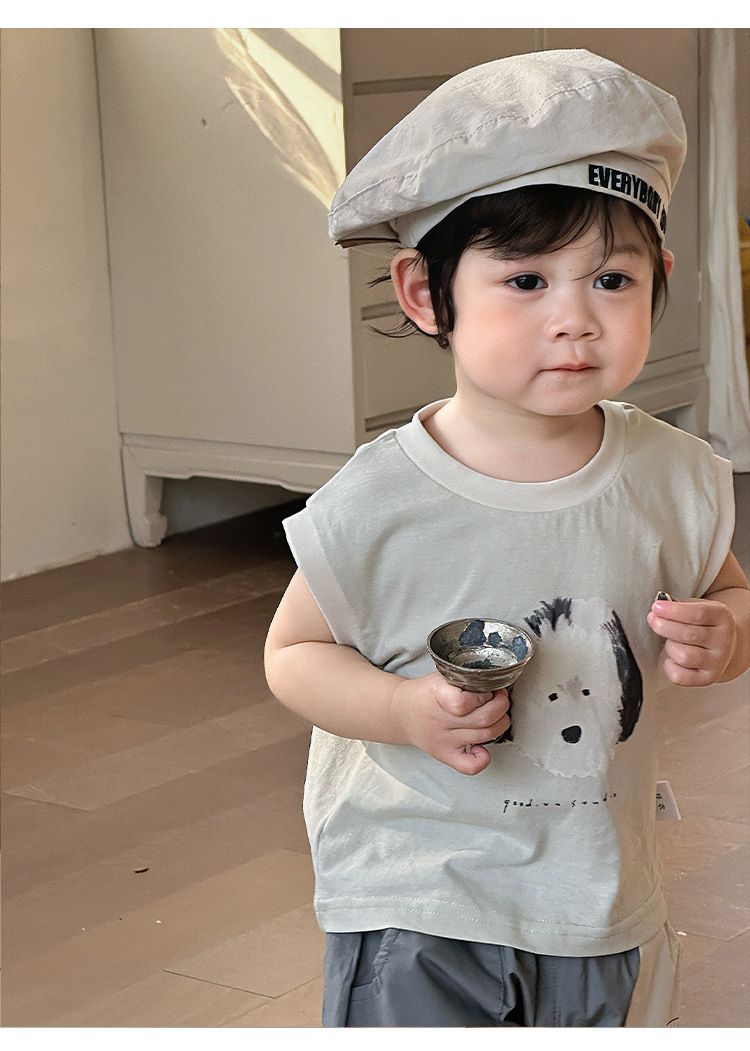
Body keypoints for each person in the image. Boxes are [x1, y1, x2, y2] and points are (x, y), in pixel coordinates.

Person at [264, 49, 750, 1027]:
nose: (575, 319)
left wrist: (729, 633)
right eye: (526, 279)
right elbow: (293, 654)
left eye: (611, 278)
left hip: (595, 888)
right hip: (417, 890)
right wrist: (402, 709)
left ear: (658, 281)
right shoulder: (382, 496)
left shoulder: (673, 475)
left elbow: (727, 591)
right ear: (423, 294)